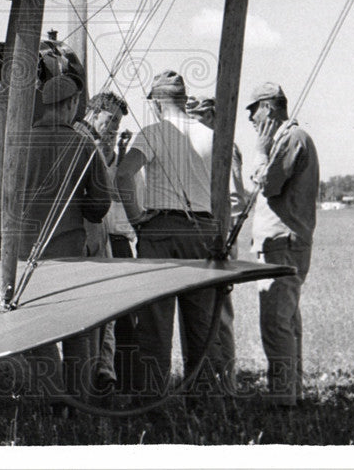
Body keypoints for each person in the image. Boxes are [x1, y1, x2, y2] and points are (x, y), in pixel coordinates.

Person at [115, 70, 226, 396]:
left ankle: (151, 403)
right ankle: (205, 402)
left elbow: (123, 176)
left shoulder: (153, 133)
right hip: (205, 232)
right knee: (202, 325)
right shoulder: (212, 136)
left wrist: (137, 220)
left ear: (158, 101)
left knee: (154, 325)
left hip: (161, 231)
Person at [17, 74, 111, 398]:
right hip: (68, 244)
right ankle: (80, 400)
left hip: (24, 249)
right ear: (71, 104)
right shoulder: (82, 143)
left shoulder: (20, 142)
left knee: (36, 322)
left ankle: (53, 397)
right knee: (76, 325)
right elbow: (100, 205)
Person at [246, 82, 319, 407]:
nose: (251, 118)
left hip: (282, 245)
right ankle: (290, 394)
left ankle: (282, 402)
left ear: (270, 107)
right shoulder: (292, 138)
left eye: (254, 110)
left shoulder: (290, 139)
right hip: (284, 243)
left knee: (276, 324)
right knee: (286, 323)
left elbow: (270, 184)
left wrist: (260, 152)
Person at [75, 91, 132, 393]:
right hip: (92, 229)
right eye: (110, 121)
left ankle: (98, 370)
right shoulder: (88, 144)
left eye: (118, 124)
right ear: (93, 112)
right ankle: (101, 370)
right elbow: (103, 197)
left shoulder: (84, 141)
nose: (113, 129)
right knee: (102, 302)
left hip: (86, 231)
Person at [185, 95, 244, 388]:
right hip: (198, 238)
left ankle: (226, 384)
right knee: (196, 316)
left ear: (210, 115)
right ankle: (201, 381)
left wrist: (219, 235)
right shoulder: (195, 145)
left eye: (196, 118)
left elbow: (234, 199)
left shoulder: (224, 147)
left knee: (219, 317)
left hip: (217, 238)